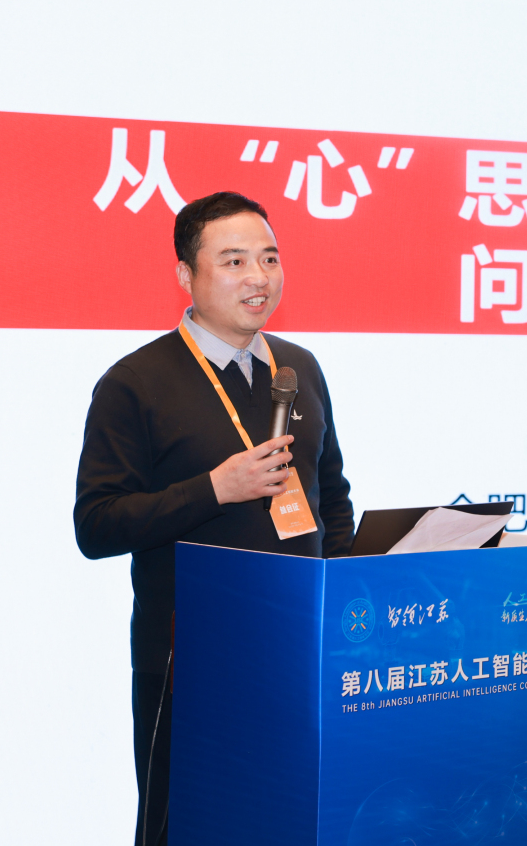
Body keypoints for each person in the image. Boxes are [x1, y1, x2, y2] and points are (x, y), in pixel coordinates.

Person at [74, 191, 354, 846]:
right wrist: (213, 489)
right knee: (186, 825)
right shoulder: (135, 383)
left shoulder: (300, 368)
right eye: (234, 261)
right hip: (190, 659)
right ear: (185, 274)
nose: (259, 277)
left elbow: (331, 498)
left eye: (270, 258)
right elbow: (97, 524)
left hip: (297, 651)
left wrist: (346, 595)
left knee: (290, 819)